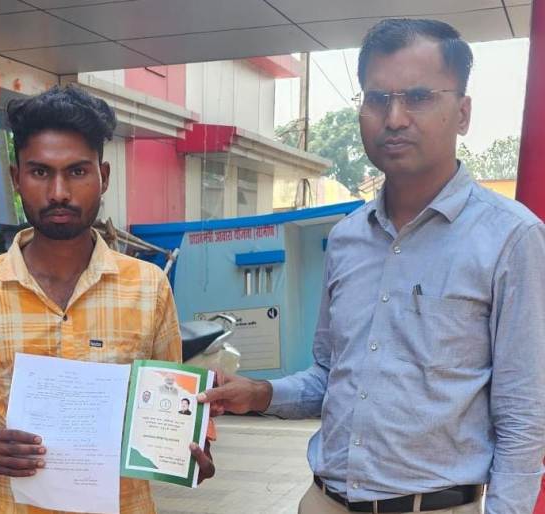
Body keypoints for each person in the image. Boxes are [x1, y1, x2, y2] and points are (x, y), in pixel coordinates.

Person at [198, 18, 545, 514]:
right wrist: (259, 393)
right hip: (324, 501)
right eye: (377, 98)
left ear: (463, 113)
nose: (395, 118)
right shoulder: (346, 239)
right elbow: (330, 376)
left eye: (419, 97)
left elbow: (524, 418)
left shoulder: (511, 238)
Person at [0, 85, 214, 513]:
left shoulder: (148, 287)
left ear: (103, 176)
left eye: (77, 172)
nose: (59, 192)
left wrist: (190, 445)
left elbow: (172, 401)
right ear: (16, 178)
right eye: (40, 172)